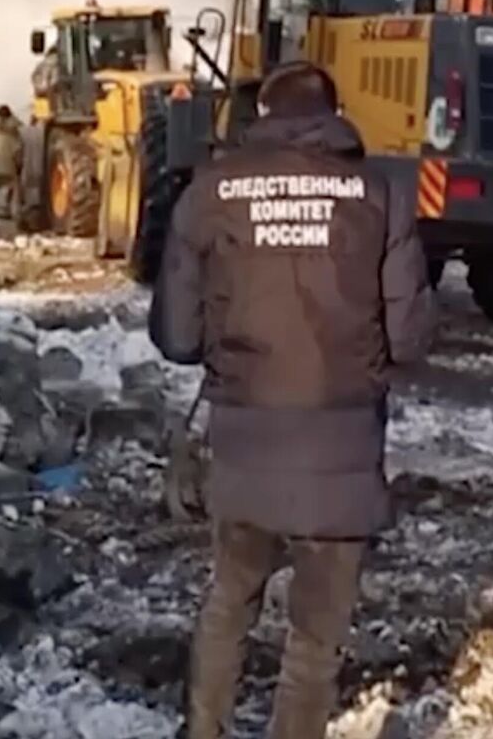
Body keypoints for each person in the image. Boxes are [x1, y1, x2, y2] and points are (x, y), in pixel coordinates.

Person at [152, 61, 434, 739]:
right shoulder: (380, 194)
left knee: (229, 600)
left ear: (262, 116)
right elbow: (411, 335)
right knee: (314, 637)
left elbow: (175, 335)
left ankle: (204, 729)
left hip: (245, 444)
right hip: (341, 451)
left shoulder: (209, 192)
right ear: (334, 114)